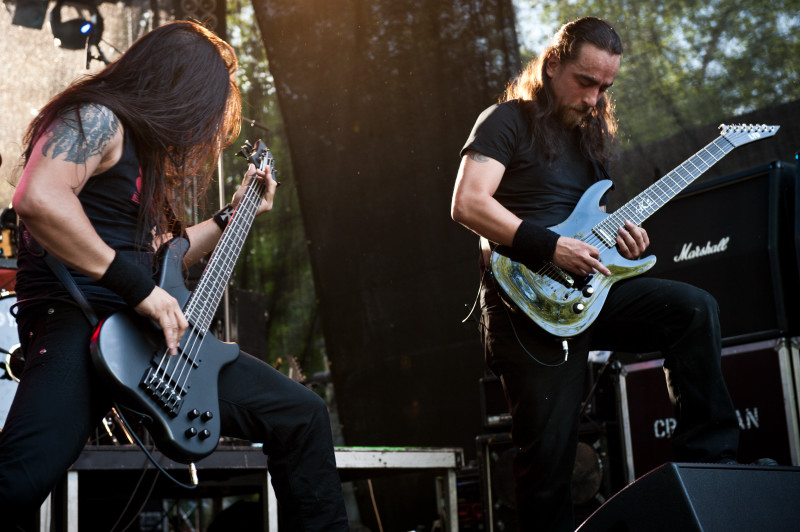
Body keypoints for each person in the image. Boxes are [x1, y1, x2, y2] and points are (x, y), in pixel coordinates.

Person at [0, 21, 348, 531]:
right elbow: (39, 199)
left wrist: (236, 215)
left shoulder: (142, 155)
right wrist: (143, 292)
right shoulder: (96, 118)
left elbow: (162, 255)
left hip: (142, 335)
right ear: (176, 88)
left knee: (300, 414)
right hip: (76, 319)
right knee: (20, 478)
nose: (201, 128)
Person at [451, 17, 740, 531]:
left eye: (605, 87)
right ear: (553, 65)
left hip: (588, 296)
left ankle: (712, 468)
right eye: (585, 82)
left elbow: (592, 228)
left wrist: (624, 242)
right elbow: (469, 203)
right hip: (523, 307)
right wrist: (551, 246)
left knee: (694, 309)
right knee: (549, 467)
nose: (594, 98)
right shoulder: (505, 121)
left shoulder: (590, 144)